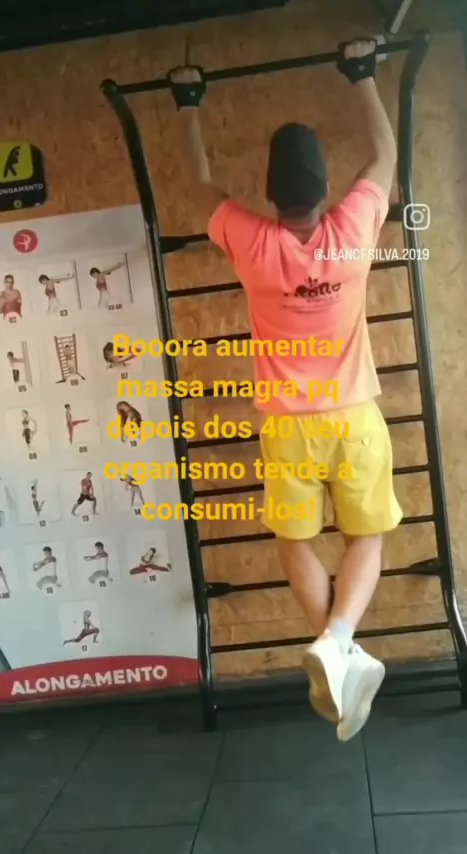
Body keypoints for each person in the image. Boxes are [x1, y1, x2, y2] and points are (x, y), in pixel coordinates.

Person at [169, 39, 402, 742]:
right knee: (367, 537)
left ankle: (334, 645)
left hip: (288, 427)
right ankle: (339, 641)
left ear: (271, 192)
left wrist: (188, 103)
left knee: (295, 541)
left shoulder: (252, 242)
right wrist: (363, 75)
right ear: (325, 188)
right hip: (355, 419)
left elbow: (198, 184)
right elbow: (385, 156)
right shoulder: (353, 229)